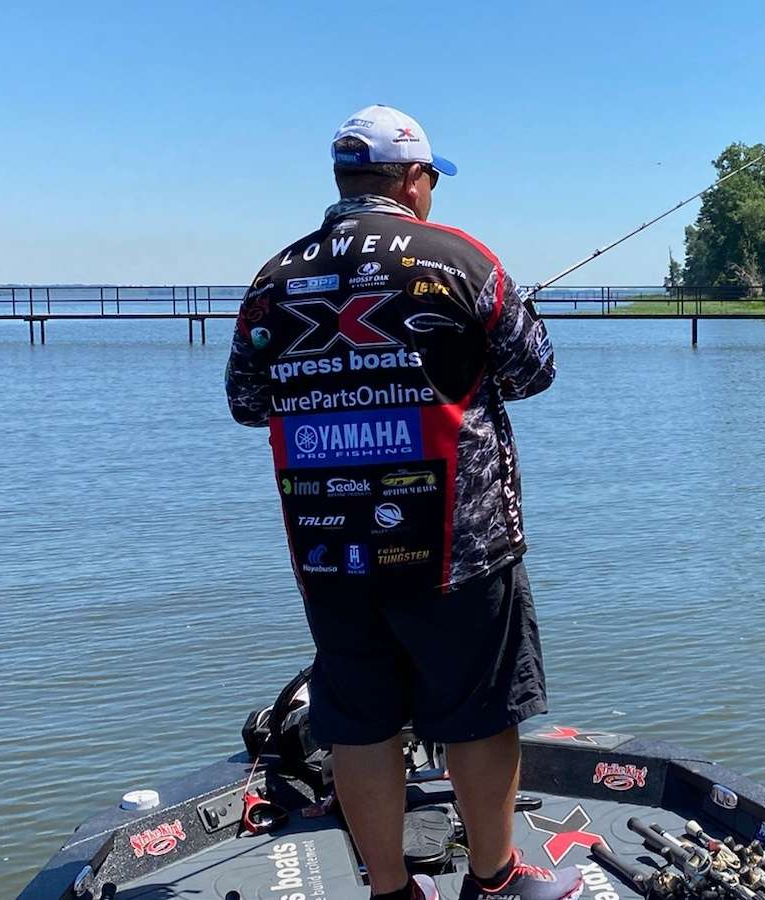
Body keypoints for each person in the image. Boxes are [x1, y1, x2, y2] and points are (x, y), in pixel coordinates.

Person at [225, 105, 580, 900]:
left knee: (358, 720)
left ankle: (389, 891)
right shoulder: (461, 260)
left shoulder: (273, 279)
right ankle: (494, 881)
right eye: (430, 180)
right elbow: (534, 370)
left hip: (331, 547)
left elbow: (247, 402)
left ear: (344, 179)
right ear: (414, 178)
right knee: (481, 713)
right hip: (457, 545)